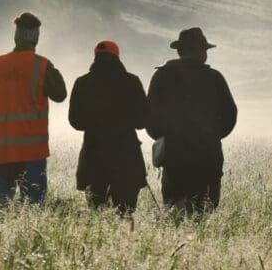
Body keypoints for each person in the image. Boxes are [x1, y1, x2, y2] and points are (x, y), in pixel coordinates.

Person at [0, 12, 67, 204]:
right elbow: (60, 94)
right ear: (36, 38)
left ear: (15, 36)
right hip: (31, 151)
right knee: (32, 208)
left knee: (1, 208)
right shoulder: (41, 65)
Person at [147, 27, 237, 216]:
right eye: (204, 49)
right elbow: (230, 114)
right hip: (208, 154)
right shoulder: (214, 78)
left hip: (174, 154)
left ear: (180, 51)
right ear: (200, 51)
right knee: (205, 207)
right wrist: (213, 136)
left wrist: (163, 136)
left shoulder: (162, 76)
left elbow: (149, 116)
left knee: (175, 209)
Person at [69, 40, 149, 214]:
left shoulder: (82, 82)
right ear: (117, 57)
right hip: (127, 158)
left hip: (93, 157)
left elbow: (75, 122)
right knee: (126, 214)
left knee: (97, 214)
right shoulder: (132, 81)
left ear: (95, 57)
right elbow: (142, 121)